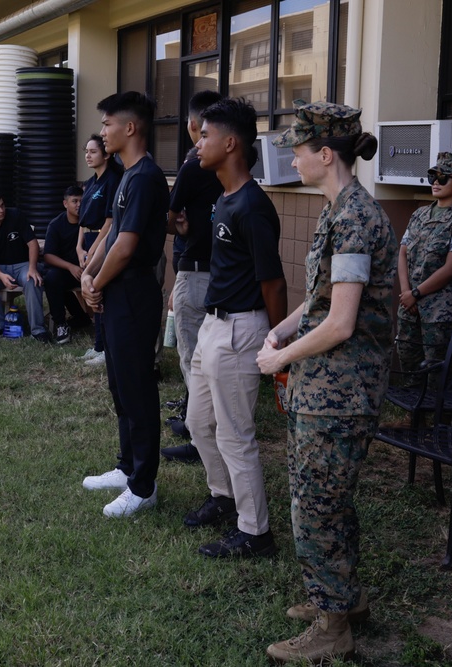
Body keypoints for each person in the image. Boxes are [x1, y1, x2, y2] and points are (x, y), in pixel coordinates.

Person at [256, 100, 396, 664]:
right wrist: (280, 333)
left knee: (316, 506)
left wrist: (282, 354)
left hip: (340, 392)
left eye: (298, 147)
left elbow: (340, 324)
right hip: (322, 387)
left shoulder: (356, 219)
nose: (292, 156)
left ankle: (332, 626)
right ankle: (344, 598)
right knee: (329, 501)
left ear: (325, 153)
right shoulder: (337, 210)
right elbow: (320, 304)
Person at [181, 97, 287, 558]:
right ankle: (223, 498)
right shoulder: (223, 198)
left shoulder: (253, 206)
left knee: (235, 435)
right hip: (212, 326)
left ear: (230, 143)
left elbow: (273, 280)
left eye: (204, 135)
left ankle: (255, 532)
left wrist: (277, 339)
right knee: (196, 421)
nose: (197, 142)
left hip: (241, 330)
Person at [79, 91, 169, 518]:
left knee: (137, 388)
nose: (102, 132)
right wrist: (87, 274)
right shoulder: (127, 175)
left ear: (129, 128)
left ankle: (144, 485)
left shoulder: (147, 177)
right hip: (116, 291)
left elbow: (128, 246)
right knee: (119, 383)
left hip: (134, 293)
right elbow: (111, 235)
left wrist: (95, 279)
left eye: (108, 124)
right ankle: (127, 465)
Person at [161, 89, 225, 464]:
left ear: (193, 124)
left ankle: (201, 440)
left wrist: (180, 228)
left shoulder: (193, 164)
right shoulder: (238, 164)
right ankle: (200, 431)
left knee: (194, 363)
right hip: (225, 277)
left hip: (198, 274)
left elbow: (167, 215)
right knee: (210, 364)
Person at [396, 151, 452, 372]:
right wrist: (406, 293)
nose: (436, 182)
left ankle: (436, 408)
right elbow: (402, 253)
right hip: (409, 306)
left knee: (437, 372)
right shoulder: (419, 214)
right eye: (433, 177)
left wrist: (416, 294)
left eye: (444, 178)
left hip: (439, 311)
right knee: (409, 364)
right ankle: (412, 407)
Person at [0, 189, 50, 342]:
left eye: (2, 205)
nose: (1, 210)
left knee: (32, 280)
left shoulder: (15, 215)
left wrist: (33, 268)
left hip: (24, 264)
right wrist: (1, 276)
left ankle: (38, 330)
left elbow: (33, 244)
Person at [76, 134, 123, 366]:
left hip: (102, 241)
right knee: (91, 290)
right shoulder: (90, 182)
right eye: (87, 151)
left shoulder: (113, 180)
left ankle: (105, 348)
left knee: (100, 292)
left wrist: (94, 249)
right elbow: (82, 220)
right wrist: (79, 246)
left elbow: (109, 221)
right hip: (87, 239)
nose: (88, 155)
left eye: (93, 151)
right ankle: (97, 345)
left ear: (106, 154)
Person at [43, 186, 89, 344]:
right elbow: (48, 256)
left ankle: (88, 319)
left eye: (82, 201)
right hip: (66, 271)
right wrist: (71, 267)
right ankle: (61, 324)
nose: (79, 205)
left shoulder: (91, 222)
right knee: (52, 278)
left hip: (90, 269)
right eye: (74, 201)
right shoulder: (56, 225)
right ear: (65, 204)